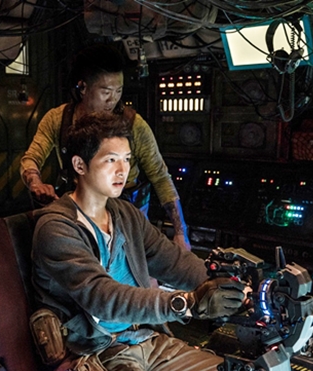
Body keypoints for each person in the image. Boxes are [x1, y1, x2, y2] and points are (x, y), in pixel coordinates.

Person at [31, 112, 246, 371]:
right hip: (101, 355)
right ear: (80, 165)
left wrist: (236, 288)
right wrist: (185, 302)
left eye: (127, 159)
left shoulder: (125, 214)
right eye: (111, 160)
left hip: (147, 339)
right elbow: (102, 297)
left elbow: (173, 262)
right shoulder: (56, 228)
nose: (123, 170)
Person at [20, 44, 191, 250]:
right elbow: (32, 158)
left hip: (128, 213)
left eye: (118, 91)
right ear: (83, 88)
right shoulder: (57, 120)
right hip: (81, 211)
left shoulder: (134, 125)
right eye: (106, 92)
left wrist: (180, 233)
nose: (113, 100)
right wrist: (36, 183)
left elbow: (160, 176)